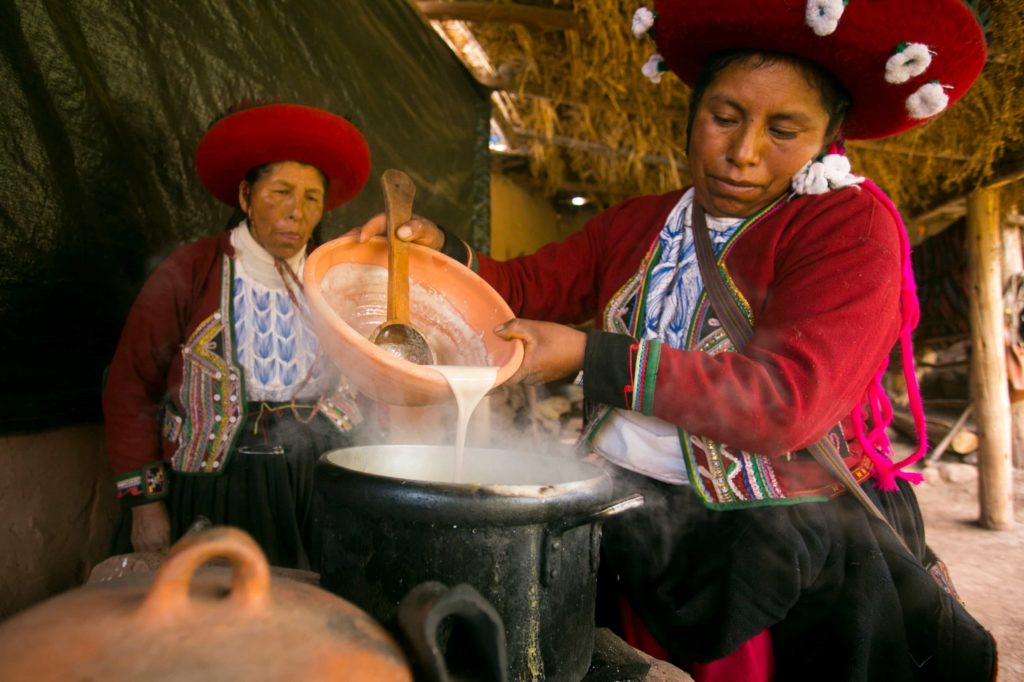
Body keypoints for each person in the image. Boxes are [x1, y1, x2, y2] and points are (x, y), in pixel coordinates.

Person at [352, 1, 998, 679]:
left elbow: (787, 403)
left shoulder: (849, 228)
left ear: (829, 138)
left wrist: (589, 358)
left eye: (784, 130)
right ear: (692, 113)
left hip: (755, 549)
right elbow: (525, 284)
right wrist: (442, 252)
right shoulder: (641, 223)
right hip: (626, 512)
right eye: (724, 117)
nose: (742, 152)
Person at [104, 103, 372, 570]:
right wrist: (145, 504)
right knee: (214, 615)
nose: (296, 211)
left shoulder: (338, 280)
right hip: (217, 486)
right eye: (281, 192)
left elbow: (376, 381)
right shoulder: (190, 271)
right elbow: (130, 386)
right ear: (246, 196)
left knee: (309, 617)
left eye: (312, 198)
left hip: (315, 485)